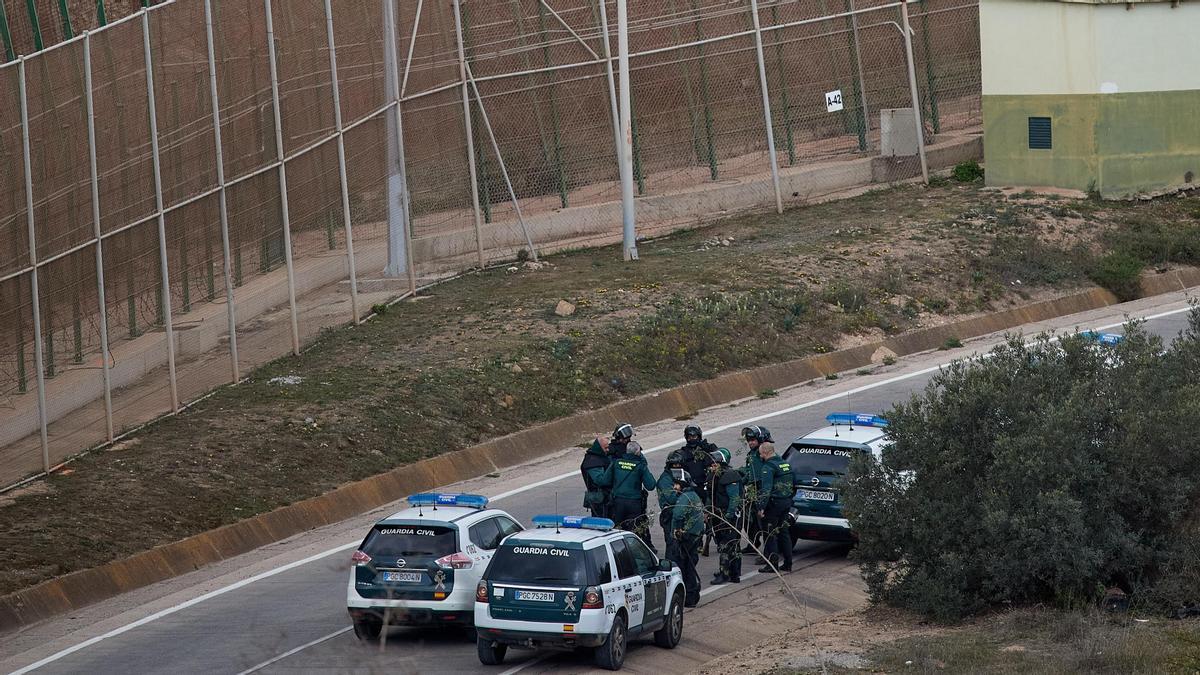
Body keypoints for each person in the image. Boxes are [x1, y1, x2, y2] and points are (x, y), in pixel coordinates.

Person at [603, 439, 658, 552]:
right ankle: (632, 553)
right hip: (634, 504)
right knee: (634, 532)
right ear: (637, 453)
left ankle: (617, 552)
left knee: (617, 531)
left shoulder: (616, 463)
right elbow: (651, 485)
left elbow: (605, 480)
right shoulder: (640, 466)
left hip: (617, 502)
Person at [754, 441, 795, 573]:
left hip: (774, 504)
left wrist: (761, 508)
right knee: (784, 533)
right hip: (786, 502)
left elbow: (766, 490)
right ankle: (788, 563)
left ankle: (772, 565)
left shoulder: (768, 467)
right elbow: (793, 484)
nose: (760, 456)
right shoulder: (785, 464)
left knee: (770, 534)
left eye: (760, 453)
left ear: (765, 453)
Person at [708, 448, 743, 585]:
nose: (712, 466)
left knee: (727, 545)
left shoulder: (730, 476)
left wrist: (727, 517)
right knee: (729, 545)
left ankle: (726, 574)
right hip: (719, 515)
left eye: (714, 464)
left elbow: (734, 499)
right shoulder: (715, 475)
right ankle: (732, 572)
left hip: (730, 517)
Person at [670, 469, 704, 607]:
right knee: (690, 565)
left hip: (687, 538)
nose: (674, 487)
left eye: (676, 484)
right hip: (695, 536)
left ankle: (689, 596)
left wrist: (676, 532)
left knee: (684, 567)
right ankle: (691, 595)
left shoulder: (685, 498)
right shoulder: (693, 496)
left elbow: (678, 515)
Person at [740, 425, 767, 556]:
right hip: (751, 491)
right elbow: (749, 473)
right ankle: (753, 543)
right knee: (748, 520)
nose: (750, 442)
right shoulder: (750, 455)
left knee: (763, 522)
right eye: (749, 440)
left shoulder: (764, 454)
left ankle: (769, 552)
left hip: (762, 491)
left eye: (753, 440)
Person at [657, 450, 686, 563]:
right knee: (672, 545)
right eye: (674, 465)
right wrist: (680, 491)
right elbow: (672, 499)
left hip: (681, 515)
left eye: (679, 465)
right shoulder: (665, 479)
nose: (677, 467)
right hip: (670, 515)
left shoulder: (682, 476)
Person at [579, 435, 611, 518]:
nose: (608, 450)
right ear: (599, 448)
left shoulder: (600, 457)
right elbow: (600, 480)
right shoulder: (592, 461)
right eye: (606, 448)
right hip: (600, 501)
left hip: (605, 499)